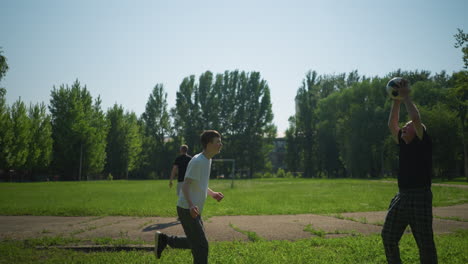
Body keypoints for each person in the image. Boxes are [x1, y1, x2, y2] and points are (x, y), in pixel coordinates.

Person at [382, 78, 438, 264]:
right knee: (388, 236)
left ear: (418, 132)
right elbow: (392, 124)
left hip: (420, 196)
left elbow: (415, 118)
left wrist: (406, 98)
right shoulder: (403, 143)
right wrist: (396, 101)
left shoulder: (422, 143)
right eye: (404, 127)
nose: (404, 127)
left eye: (408, 127)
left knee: (425, 244)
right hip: (402, 196)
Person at [155, 130, 225, 264]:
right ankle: (165, 240)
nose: (220, 144)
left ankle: (165, 240)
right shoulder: (198, 161)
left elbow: (200, 184)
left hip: (193, 209)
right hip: (187, 209)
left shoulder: (207, 160)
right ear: (209, 144)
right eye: (218, 142)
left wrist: (212, 194)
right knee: (201, 246)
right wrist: (191, 205)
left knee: (195, 241)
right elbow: (185, 186)